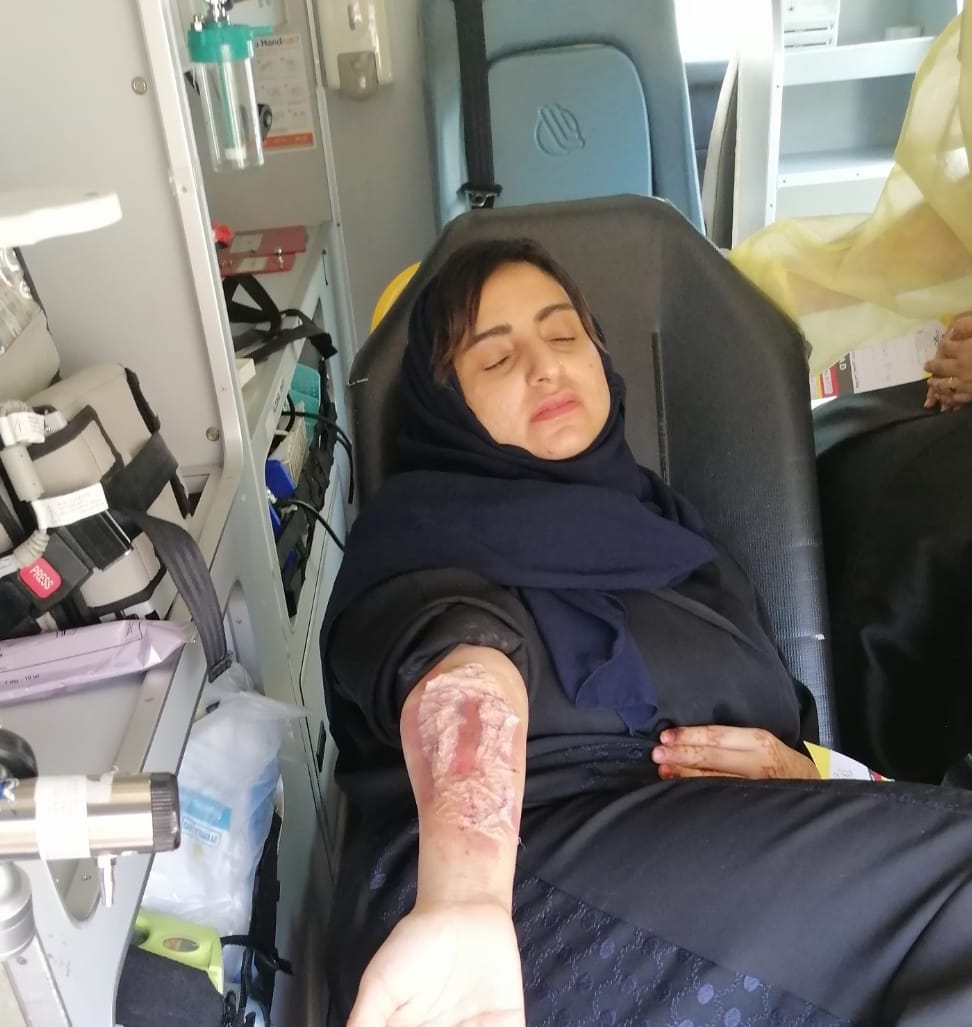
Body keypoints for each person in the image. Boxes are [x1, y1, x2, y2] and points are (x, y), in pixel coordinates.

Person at [321, 238, 972, 1027]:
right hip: (512, 911)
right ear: (443, 406)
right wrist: (466, 895)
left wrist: (805, 771)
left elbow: (785, 714)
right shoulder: (419, 534)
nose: (545, 367)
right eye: (496, 358)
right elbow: (459, 660)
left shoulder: (678, 541)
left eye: (564, 335)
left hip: (715, 877)